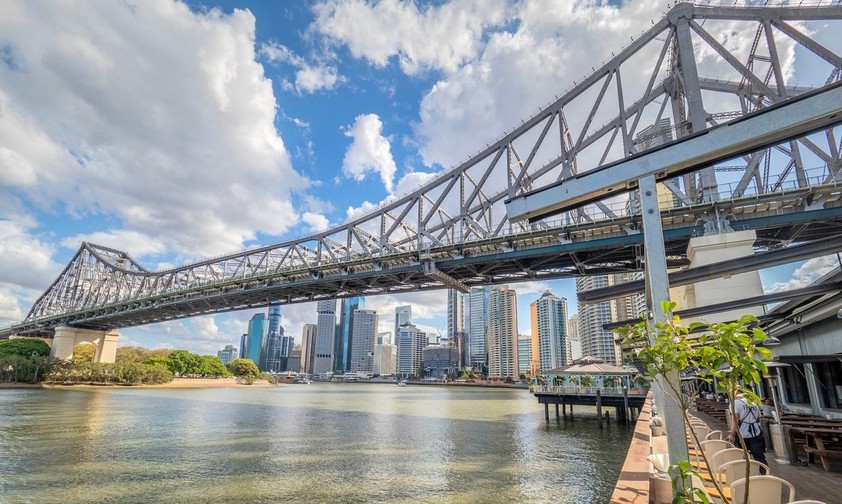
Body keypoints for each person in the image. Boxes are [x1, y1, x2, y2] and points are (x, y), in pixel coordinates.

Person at [728, 392, 768, 472]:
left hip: (742, 434)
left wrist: (732, 433)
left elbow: (735, 419)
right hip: (756, 433)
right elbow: (758, 418)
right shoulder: (753, 403)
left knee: (742, 455)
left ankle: (746, 474)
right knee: (759, 456)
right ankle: (765, 474)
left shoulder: (736, 403)